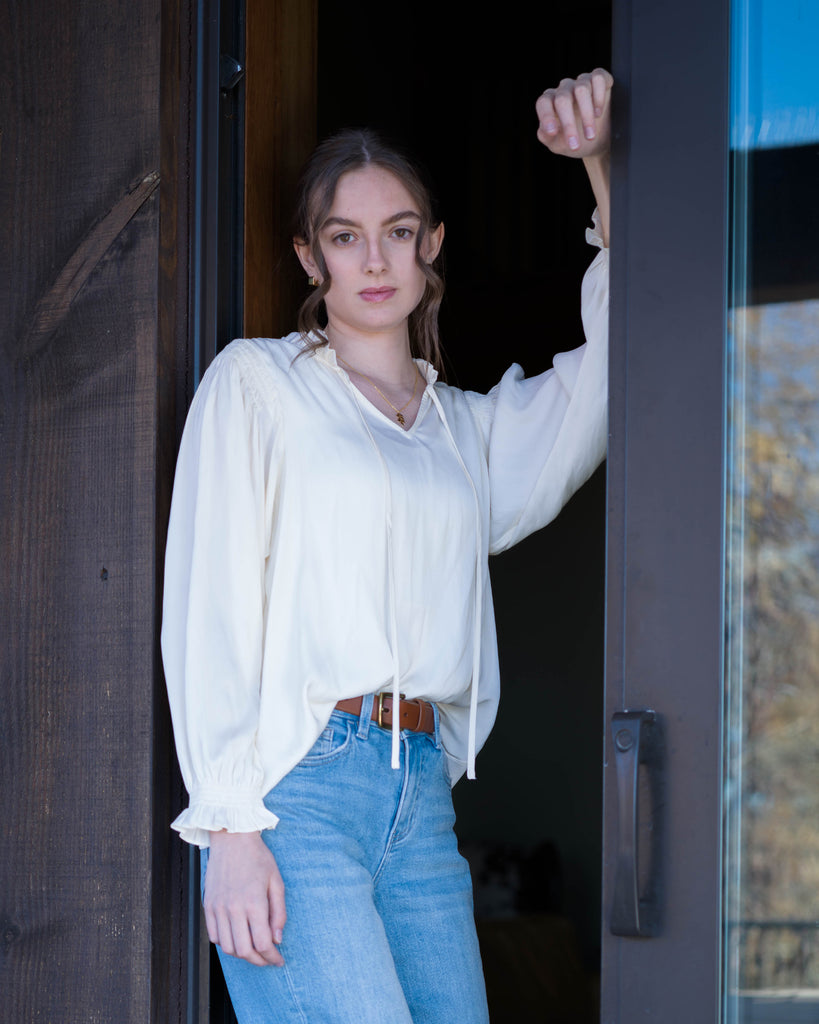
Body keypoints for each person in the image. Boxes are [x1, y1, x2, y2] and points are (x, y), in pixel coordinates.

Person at [161, 69, 613, 1024]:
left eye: (398, 232)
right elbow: (211, 610)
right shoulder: (257, 387)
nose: (375, 259)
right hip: (299, 791)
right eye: (343, 236)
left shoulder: (465, 433)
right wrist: (231, 827)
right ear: (308, 256)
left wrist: (602, 167)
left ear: (431, 245)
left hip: (420, 801)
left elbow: (606, 376)